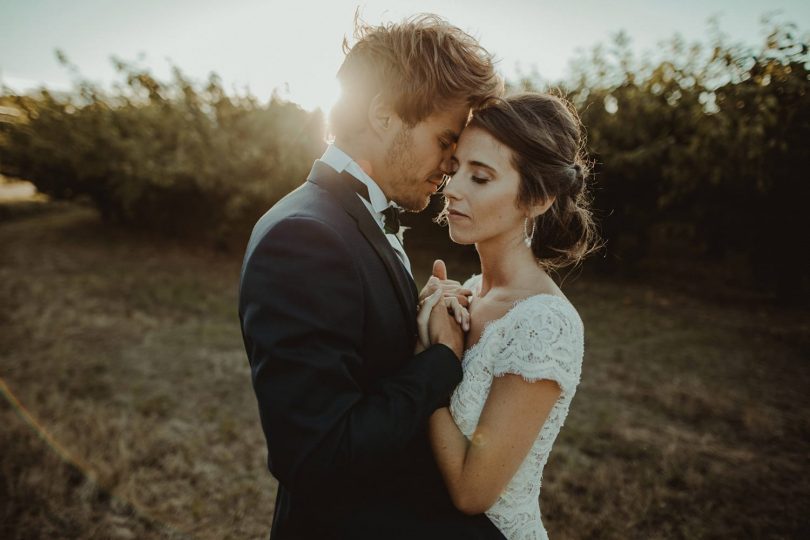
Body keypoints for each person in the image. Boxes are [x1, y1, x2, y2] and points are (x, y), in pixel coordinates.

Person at [238, 14, 505, 540]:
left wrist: (412, 316)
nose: (452, 164)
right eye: (445, 140)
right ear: (384, 115)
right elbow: (319, 456)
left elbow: (361, 356)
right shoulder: (305, 239)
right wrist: (441, 359)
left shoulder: (344, 219)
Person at [417, 93, 599, 540]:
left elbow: (471, 492)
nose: (453, 188)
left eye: (479, 177)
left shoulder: (545, 323)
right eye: (455, 167)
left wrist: (428, 357)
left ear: (538, 199)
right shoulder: (471, 291)